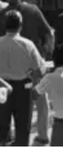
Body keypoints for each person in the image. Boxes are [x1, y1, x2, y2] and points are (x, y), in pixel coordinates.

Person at [0, 10, 43, 147]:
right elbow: (39, 71)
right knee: (23, 127)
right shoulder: (28, 44)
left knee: (1, 125)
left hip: (2, 88)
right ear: (20, 26)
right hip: (24, 88)